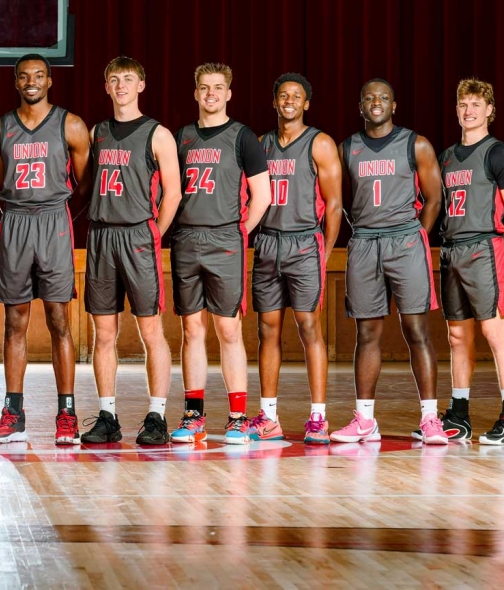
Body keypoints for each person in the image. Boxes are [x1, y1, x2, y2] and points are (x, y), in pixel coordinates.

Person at [0, 54, 91, 445]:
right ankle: (13, 413)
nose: (31, 81)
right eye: (24, 76)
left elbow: (84, 186)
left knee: (59, 320)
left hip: (54, 222)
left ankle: (67, 413)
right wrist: (18, 214)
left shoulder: (71, 125)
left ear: (49, 81)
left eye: (39, 75)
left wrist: (56, 216)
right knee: (15, 322)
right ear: (15, 82)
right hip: (15, 222)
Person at [331, 79, 446, 445]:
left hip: (406, 241)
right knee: (367, 334)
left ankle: (430, 419)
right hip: (365, 243)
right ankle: (365, 419)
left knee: (416, 330)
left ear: (394, 106)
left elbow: (434, 198)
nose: (376, 102)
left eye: (383, 98)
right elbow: (336, 199)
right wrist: (361, 229)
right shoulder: (346, 147)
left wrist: (417, 237)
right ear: (360, 106)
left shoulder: (416, 144)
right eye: (369, 97)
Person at [80, 56, 182, 446]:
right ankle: (107, 415)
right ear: (106, 87)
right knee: (103, 333)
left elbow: (172, 192)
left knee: (150, 330)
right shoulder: (97, 132)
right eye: (114, 80)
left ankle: (156, 416)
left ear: (141, 85)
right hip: (102, 236)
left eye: (128, 79)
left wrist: (155, 232)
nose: (121, 85)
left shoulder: (158, 133)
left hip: (139, 236)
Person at [169, 63, 270, 445]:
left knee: (227, 329)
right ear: (195, 93)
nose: (211, 93)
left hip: (225, 239)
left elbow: (263, 195)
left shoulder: (242, 136)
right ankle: (194, 416)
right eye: (204, 87)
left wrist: (240, 231)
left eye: (218, 87)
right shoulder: (182, 137)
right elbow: (171, 192)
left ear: (229, 93)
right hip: (187, 240)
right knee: (191, 329)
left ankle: (238, 417)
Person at [251, 73, 342, 444]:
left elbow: (334, 204)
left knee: (309, 329)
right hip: (269, 243)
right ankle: (268, 417)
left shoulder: (319, 143)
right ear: (274, 102)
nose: (289, 101)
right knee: (267, 330)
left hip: (305, 243)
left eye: (297, 96)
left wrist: (326, 252)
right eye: (283, 95)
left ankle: (317, 417)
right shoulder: (260, 144)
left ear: (306, 104)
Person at [435, 78, 504, 445]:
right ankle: (459, 414)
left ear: (490, 110)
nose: (468, 111)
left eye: (475, 104)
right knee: (457, 335)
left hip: (484, 248)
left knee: (494, 332)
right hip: (452, 249)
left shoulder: (498, 153)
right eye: (462, 104)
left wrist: (498, 251)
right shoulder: (446, 156)